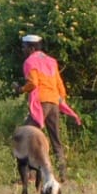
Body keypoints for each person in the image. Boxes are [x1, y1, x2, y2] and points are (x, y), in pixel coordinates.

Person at [21, 34, 79, 180]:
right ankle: (63, 174)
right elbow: (60, 84)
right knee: (55, 139)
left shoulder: (30, 61)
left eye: (24, 47)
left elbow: (33, 83)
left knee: (27, 135)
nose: (23, 50)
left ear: (31, 48)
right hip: (54, 102)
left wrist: (20, 89)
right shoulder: (51, 61)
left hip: (41, 102)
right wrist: (61, 100)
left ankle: (31, 174)